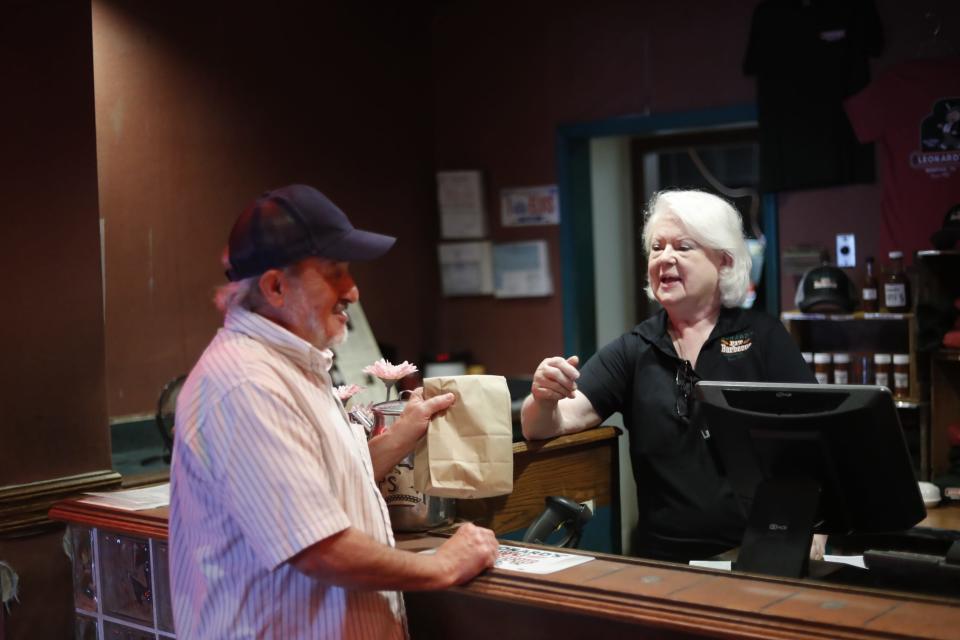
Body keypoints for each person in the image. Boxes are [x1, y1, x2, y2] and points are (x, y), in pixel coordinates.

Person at [169, 184, 498, 639]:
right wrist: (443, 566)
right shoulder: (248, 383)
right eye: (334, 272)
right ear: (276, 286)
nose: (353, 291)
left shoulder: (292, 365)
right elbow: (318, 550)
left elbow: (326, 485)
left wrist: (404, 434)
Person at [521, 189, 819, 563]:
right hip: (662, 561)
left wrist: (816, 527)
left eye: (683, 247)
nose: (665, 258)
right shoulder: (635, 348)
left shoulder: (763, 337)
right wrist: (543, 397)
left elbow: (815, 438)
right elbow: (547, 425)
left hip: (758, 552)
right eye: (657, 247)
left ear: (724, 262)